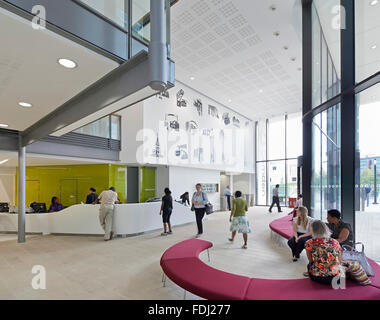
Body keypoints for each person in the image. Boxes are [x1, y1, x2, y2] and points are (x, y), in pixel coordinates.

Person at [304, 220, 343, 285]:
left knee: (309, 265)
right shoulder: (335, 242)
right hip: (338, 278)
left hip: (320, 277)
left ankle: (312, 272)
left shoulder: (309, 243)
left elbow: (310, 260)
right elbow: (339, 260)